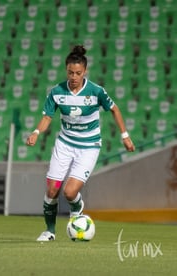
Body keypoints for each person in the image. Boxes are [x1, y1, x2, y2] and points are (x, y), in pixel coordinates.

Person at [26, 45, 135, 241]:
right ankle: (49, 231)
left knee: (69, 192)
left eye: (78, 73)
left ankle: (77, 208)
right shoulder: (56, 92)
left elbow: (115, 110)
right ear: (66, 70)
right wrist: (36, 132)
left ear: (85, 71)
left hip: (88, 147)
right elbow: (47, 117)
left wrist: (125, 135)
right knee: (51, 190)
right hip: (64, 144)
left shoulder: (96, 91)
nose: (74, 77)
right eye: (70, 72)